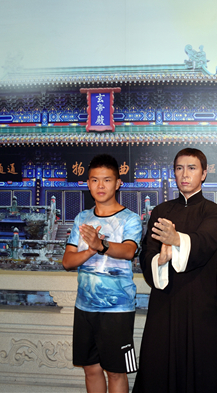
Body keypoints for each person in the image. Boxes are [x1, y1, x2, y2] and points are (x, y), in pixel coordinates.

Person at [133, 148, 217, 393]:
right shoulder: (161, 212)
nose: (184, 174)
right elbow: (147, 252)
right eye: (179, 168)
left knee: (202, 370)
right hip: (164, 304)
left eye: (192, 168)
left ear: (204, 174)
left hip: (200, 304)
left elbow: (204, 243)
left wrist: (177, 240)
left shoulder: (216, 213)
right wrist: (159, 260)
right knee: (158, 367)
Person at [62, 154, 142, 393]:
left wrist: (102, 245)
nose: (100, 185)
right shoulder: (82, 218)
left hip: (118, 309)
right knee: (91, 369)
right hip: (85, 307)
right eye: (95, 180)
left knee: (117, 371)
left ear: (118, 183)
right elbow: (67, 261)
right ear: (88, 184)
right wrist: (90, 250)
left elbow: (129, 251)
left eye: (107, 180)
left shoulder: (130, 219)